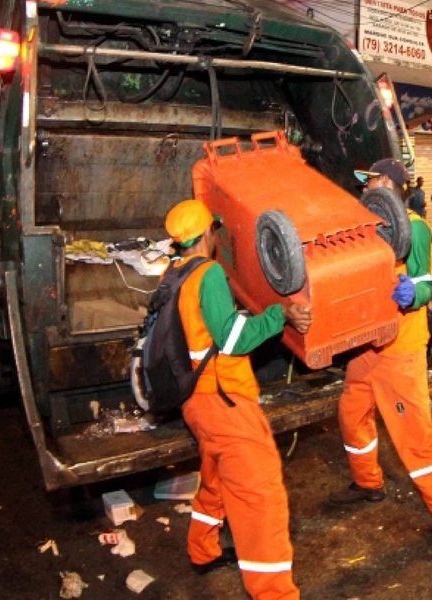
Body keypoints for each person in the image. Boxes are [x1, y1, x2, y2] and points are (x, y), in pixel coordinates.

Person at [164, 199, 312, 600]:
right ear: (208, 234)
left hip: (196, 403)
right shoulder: (208, 273)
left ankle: (202, 549)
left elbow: (202, 335)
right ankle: (274, 593)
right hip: (224, 402)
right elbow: (231, 340)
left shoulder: (174, 273)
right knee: (260, 497)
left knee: (214, 475)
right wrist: (277, 314)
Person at [325, 158, 432, 555]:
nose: (364, 188)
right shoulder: (368, 226)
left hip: (401, 350)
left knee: (415, 436)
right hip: (367, 345)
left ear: (388, 182)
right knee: (352, 415)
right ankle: (368, 483)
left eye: (369, 182)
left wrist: (412, 294)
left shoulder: (415, 229)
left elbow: (423, 282)